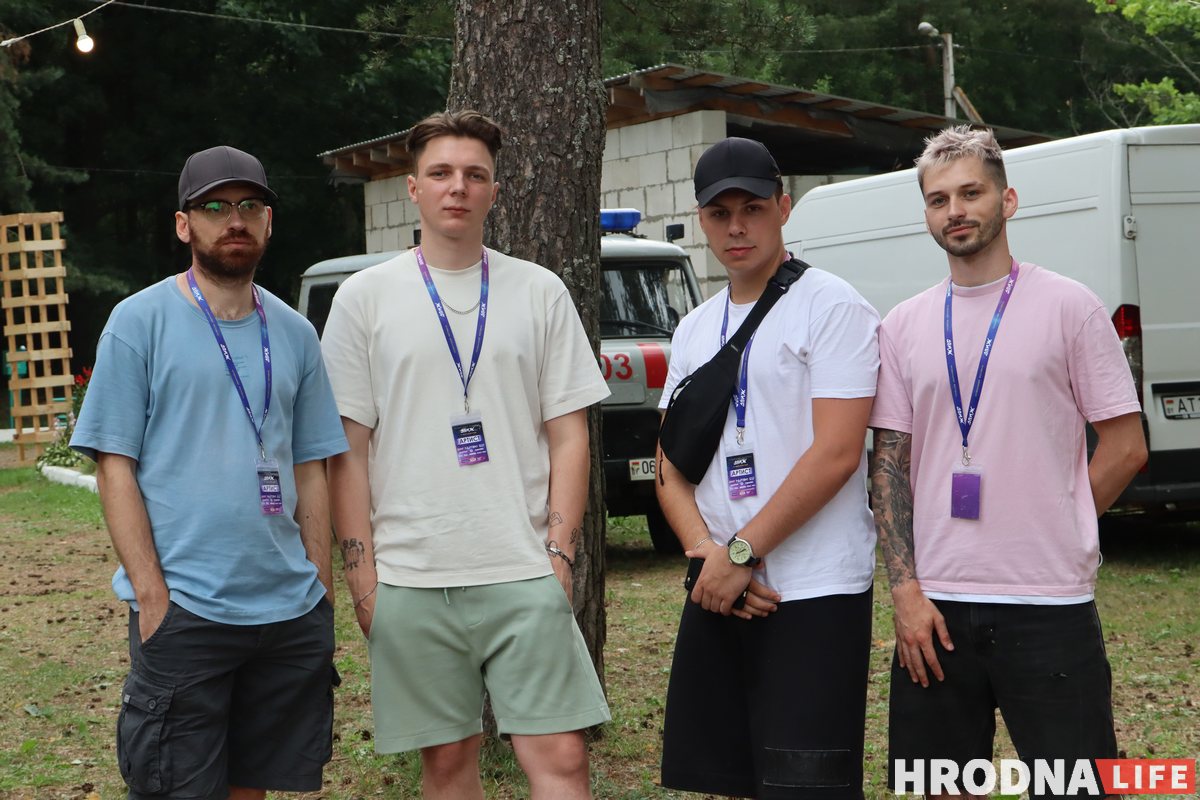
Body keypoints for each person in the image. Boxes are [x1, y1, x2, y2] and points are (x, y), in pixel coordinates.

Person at [321, 109, 611, 800]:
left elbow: (570, 436)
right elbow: (347, 451)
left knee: (563, 757)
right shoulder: (363, 299)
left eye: (475, 175)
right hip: (412, 576)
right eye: (441, 173)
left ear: (494, 192)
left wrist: (559, 555)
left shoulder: (539, 291)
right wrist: (363, 578)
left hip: (522, 568)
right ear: (413, 189)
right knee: (447, 764)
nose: (458, 187)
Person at [869, 125, 1148, 797]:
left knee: (1075, 786)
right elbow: (889, 467)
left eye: (971, 193)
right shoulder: (902, 325)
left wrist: (1061, 519)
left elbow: (1126, 445)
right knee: (936, 787)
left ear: (1008, 200)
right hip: (936, 606)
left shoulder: (1070, 308)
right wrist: (905, 592)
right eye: (938, 199)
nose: (955, 211)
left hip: (1047, 603)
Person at [70, 145, 349, 800]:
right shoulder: (137, 323)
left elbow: (311, 467)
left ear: (269, 221)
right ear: (183, 224)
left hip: (286, 612)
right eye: (215, 207)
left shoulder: (295, 334)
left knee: (253, 788)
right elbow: (115, 467)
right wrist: (152, 597)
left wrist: (320, 588)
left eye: (250, 205)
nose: (235, 220)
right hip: (188, 608)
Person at [656, 137, 881, 799]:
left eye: (752, 208)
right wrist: (708, 555)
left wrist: (743, 551)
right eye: (719, 213)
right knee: (731, 778)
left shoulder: (831, 306)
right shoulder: (694, 329)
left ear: (783, 208)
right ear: (701, 221)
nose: (736, 227)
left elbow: (836, 453)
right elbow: (668, 463)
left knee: (806, 784)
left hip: (812, 590)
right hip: (721, 587)